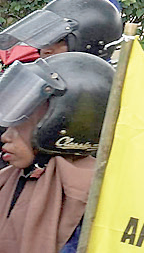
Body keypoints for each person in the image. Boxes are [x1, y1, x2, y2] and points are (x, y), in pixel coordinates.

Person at [0, 52, 115, 253]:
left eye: (21, 126)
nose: (6, 136)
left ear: (55, 127)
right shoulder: (14, 177)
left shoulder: (86, 200)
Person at [0, 0, 122, 64]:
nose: (45, 50)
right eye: (46, 38)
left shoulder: (90, 91)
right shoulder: (41, 78)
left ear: (91, 45)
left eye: (59, 40)